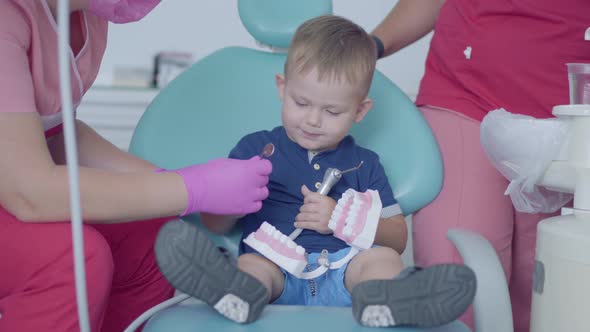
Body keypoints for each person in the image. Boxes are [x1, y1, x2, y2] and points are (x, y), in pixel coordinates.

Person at [155, 15, 476, 328]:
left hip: (347, 275)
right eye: (301, 103)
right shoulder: (255, 149)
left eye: (332, 111)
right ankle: (237, 294)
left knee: (382, 261)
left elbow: (397, 238)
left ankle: (387, 301)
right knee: (252, 265)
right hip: (275, 269)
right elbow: (215, 223)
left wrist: (341, 219)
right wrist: (233, 201)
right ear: (282, 88)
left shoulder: (365, 163)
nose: (312, 120)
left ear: (360, 110)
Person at [0, 1, 272, 331]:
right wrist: (191, 189)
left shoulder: (86, 16)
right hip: (19, 186)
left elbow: (56, 134)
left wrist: (171, 183)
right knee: (71, 259)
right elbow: (29, 190)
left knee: (152, 238)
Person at [370, 1, 590, 331]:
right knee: (460, 281)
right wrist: (370, 45)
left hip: (573, 117)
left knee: (551, 293)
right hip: (466, 95)